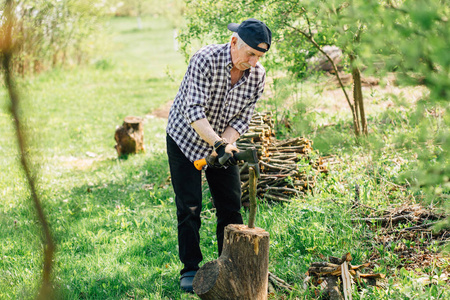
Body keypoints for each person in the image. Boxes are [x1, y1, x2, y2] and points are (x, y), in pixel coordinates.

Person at [166, 18, 272, 293]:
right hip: (185, 138)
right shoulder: (204, 60)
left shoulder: (257, 76)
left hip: (220, 143)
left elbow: (242, 118)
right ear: (234, 42)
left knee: (230, 206)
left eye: (259, 56)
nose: (253, 62)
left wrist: (226, 143)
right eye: (250, 53)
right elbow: (194, 112)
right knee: (189, 207)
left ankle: (230, 264)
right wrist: (217, 143)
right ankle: (190, 268)